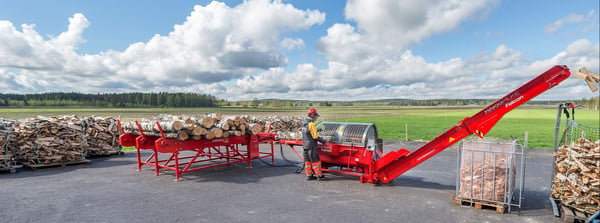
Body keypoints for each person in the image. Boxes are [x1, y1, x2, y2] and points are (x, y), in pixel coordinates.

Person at [302, 108, 327, 181]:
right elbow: (315, 136)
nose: (316, 118)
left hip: (305, 146)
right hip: (312, 146)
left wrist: (317, 129)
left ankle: (309, 175)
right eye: (316, 116)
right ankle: (319, 176)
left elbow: (307, 132)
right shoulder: (311, 124)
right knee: (315, 161)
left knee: (307, 161)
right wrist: (323, 141)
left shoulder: (304, 123)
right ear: (313, 116)